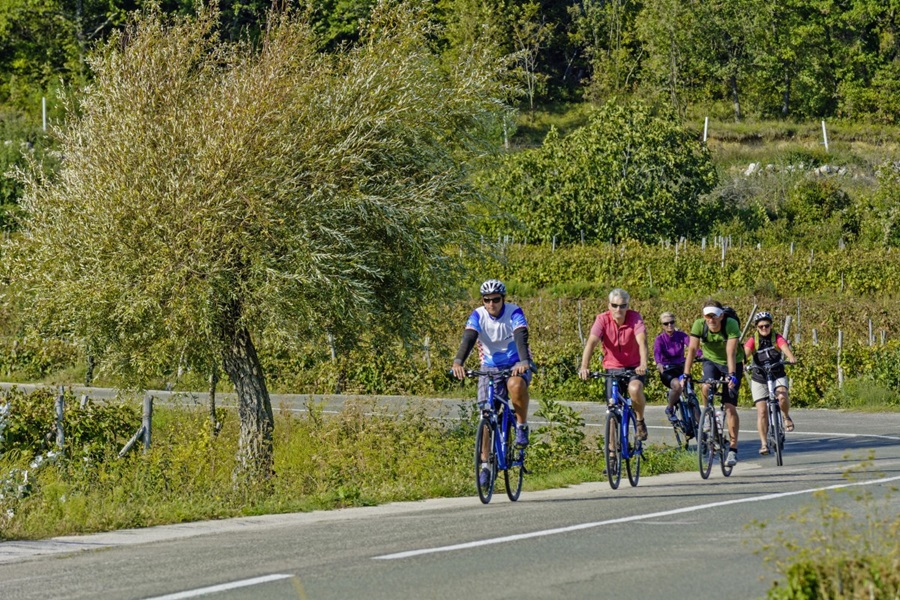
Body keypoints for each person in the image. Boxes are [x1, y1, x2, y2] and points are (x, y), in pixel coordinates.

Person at [452, 279, 534, 486]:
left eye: (496, 300)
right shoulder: (478, 315)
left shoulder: (514, 312)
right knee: (486, 414)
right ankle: (486, 465)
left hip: (516, 363)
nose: (491, 304)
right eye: (487, 300)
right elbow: (469, 338)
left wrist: (524, 362)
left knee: (515, 385)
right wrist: (458, 362)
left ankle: (521, 426)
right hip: (489, 366)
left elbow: (520, 337)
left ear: (503, 299)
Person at [578, 288, 649, 441]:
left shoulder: (635, 318)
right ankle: (611, 455)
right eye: (615, 305)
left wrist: (643, 364)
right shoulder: (602, 319)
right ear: (609, 305)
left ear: (627, 306)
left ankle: (640, 421)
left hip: (634, 366)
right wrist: (584, 366)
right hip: (612, 367)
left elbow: (642, 340)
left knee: (635, 389)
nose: (619, 309)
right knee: (611, 410)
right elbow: (591, 342)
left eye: (623, 306)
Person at [682, 300, 745, 467]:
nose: (711, 320)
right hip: (711, 361)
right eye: (707, 316)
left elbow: (730, 351)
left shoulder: (730, 324)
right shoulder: (699, 325)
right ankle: (708, 415)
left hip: (733, 363)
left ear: (721, 316)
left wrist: (731, 375)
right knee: (706, 385)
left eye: (714, 316)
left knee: (730, 407)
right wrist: (686, 373)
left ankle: (733, 449)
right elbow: (693, 350)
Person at [744, 311, 797, 455]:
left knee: (782, 396)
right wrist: (741, 363)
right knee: (762, 411)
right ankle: (763, 444)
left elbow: (784, 347)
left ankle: (786, 417)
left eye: (766, 326)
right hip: (759, 376)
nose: (764, 329)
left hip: (776, 373)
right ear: (756, 327)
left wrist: (791, 357)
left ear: (771, 325)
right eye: (760, 326)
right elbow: (745, 353)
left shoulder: (776, 337)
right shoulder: (753, 340)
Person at [653, 312, 692, 424]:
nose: (669, 325)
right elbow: (657, 353)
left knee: (690, 392)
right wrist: (659, 363)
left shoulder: (682, 335)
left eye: (672, 322)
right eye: (666, 323)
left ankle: (700, 430)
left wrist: (702, 355)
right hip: (667, 370)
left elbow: (692, 347)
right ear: (662, 325)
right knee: (677, 386)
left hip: (681, 367)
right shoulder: (659, 339)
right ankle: (670, 408)